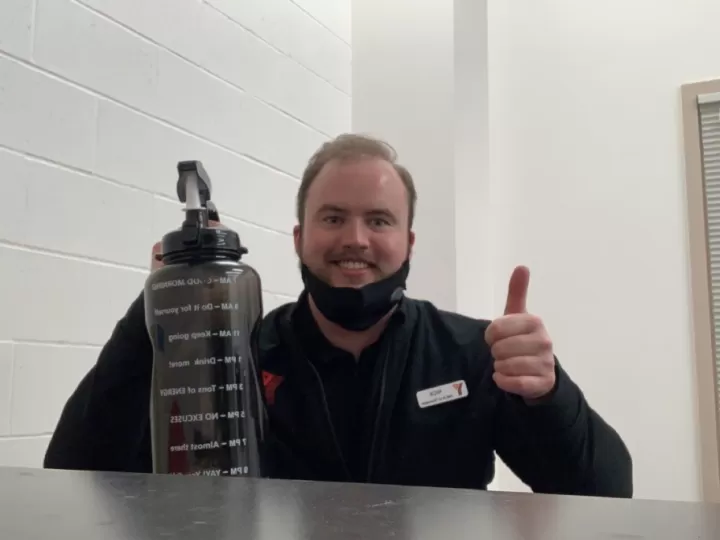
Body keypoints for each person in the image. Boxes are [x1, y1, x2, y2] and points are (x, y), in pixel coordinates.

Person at [44, 134, 633, 497]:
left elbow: (605, 491)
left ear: (408, 241)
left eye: (379, 220)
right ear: (299, 238)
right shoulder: (238, 354)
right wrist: (159, 310)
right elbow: (74, 469)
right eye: (332, 218)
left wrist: (548, 394)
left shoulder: (473, 352)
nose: (355, 239)